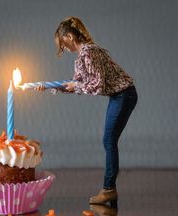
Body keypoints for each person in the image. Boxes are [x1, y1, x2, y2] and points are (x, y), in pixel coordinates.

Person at [34, 16, 138, 205]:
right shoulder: (84, 55)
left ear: (69, 37)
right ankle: (109, 189)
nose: (63, 48)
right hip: (119, 96)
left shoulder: (89, 52)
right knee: (109, 140)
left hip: (124, 95)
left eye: (63, 43)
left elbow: (96, 84)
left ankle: (109, 190)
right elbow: (77, 85)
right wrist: (50, 87)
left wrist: (75, 86)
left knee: (109, 141)